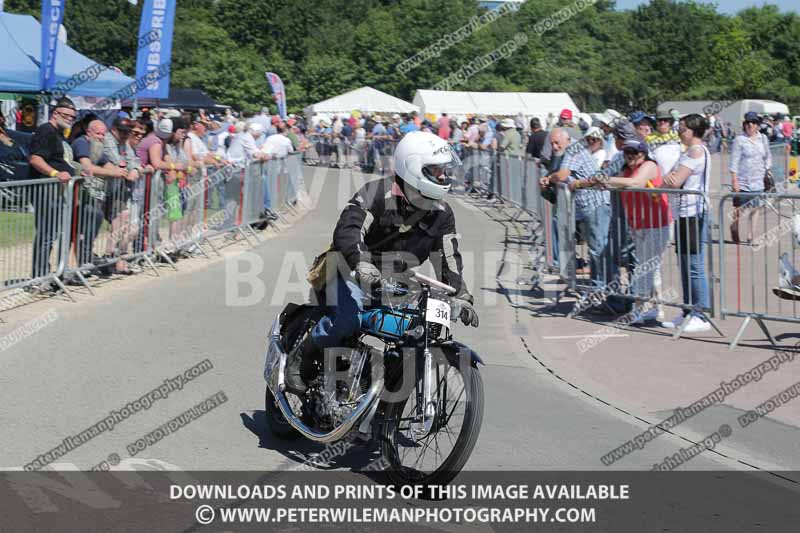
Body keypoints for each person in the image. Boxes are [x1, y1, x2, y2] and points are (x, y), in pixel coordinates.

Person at [284, 131, 479, 395]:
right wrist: (360, 262)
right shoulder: (375, 193)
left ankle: (381, 396)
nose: (444, 177)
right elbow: (348, 229)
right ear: (412, 168)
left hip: (395, 282)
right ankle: (302, 354)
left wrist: (460, 294)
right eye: (436, 171)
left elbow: (449, 257)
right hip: (348, 270)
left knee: (418, 331)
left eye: (444, 170)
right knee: (350, 319)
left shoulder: (442, 214)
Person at [600, 138, 672, 324]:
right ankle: (655, 308)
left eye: (635, 152)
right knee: (650, 268)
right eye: (627, 153)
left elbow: (637, 183)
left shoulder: (649, 165)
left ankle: (640, 309)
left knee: (645, 268)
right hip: (638, 224)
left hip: (657, 223)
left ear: (643, 153)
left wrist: (605, 179)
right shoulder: (625, 170)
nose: (630, 156)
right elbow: (609, 182)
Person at [541, 128, 611, 296]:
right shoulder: (571, 150)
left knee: (597, 248)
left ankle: (600, 289)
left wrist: (549, 179)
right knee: (594, 247)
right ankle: (597, 287)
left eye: (557, 143)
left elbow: (563, 175)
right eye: (552, 144)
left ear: (567, 139)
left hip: (595, 203)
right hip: (586, 205)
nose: (555, 147)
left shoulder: (573, 150)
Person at [662, 114, 712, 333]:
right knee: (683, 264)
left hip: (693, 212)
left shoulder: (696, 151)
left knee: (694, 265)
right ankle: (687, 310)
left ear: (694, 131)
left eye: (683, 129)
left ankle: (700, 313)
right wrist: (669, 178)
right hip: (684, 213)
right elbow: (668, 178)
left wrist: (671, 178)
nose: (679, 132)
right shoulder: (688, 151)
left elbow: (676, 180)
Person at [28, 97, 76, 280]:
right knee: (46, 233)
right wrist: (55, 173)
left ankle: (47, 273)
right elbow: (35, 159)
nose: (70, 119)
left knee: (52, 233)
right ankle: (39, 275)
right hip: (45, 189)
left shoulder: (58, 133)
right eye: (66, 115)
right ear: (55, 113)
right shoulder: (45, 131)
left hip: (54, 191)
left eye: (72, 117)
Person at [102, 117, 141, 274]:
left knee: (124, 222)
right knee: (119, 223)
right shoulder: (108, 139)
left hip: (119, 189)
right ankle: (108, 257)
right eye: (123, 132)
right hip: (105, 189)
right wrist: (129, 168)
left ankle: (115, 259)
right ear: (114, 130)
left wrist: (135, 169)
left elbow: (133, 160)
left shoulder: (124, 142)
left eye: (128, 133)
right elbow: (117, 160)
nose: (126, 136)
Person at [729, 111, 771, 244]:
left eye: (753, 123)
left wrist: (767, 169)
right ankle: (734, 226)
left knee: (755, 208)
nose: (750, 125)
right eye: (747, 123)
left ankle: (751, 235)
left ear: (757, 125)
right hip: (743, 180)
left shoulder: (763, 138)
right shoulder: (739, 140)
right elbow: (734, 161)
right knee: (739, 209)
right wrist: (734, 180)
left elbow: (768, 156)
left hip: (758, 179)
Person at [646, 111, 682, 177]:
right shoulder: (648, 138)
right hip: (657, 176)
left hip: (675, 175)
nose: (662, 122)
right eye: (659, 120)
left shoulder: (678, 137)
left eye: (665, 120)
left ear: (670, 123)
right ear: (656, 122)